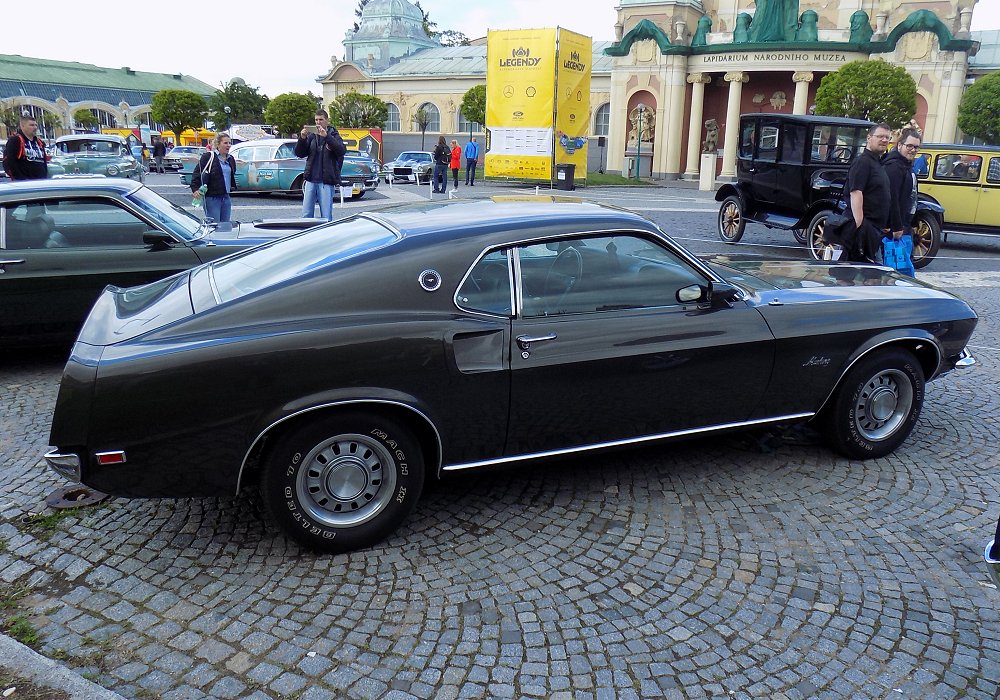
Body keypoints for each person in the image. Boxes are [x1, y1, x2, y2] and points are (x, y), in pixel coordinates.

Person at [845, 123, 892, 264]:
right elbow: (856, 192)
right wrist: (860, 226)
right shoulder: (863, 162)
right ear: (869, 138)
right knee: (849, 276)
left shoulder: (877, 162)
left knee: (867, 277)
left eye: (887, 137)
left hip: (873, 230)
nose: (884, 140)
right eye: (880, 136)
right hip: (863, 230)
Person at [882, 127, 922, 276]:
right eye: (909, 146)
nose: (913, 150)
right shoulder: (893, 166)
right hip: (896, 226)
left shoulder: (905, 165)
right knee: (896, 270)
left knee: (902, 267)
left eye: (916, 147)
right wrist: (896, 226)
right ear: (900, 145)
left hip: (904, 223)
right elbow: (891, 199)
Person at [295, 109, 346, 221]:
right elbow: (299, 153)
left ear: (327, 120)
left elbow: (341, 151)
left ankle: (326, 236)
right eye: (316, 120)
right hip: (310, 180)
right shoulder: (312, 136)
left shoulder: (334, 135)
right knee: (306, 214)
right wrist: (302, 139)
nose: (318, 122)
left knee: (326, 215)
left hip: (326, 181)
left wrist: (327, 137)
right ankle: (307, 237)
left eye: (321, 120)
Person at [190, 132, 236, 223]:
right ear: (218, 144)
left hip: (226, 196)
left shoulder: (231, 159)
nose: (228, 145)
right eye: (225, 143)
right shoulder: (209, 157)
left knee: (225, 225)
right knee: (214, 225)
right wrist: (195, 189)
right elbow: (197, 173)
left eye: (230, 143)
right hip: (212, 196)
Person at [3, 115, 48, 181]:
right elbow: (8, 162)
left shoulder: (39, 143)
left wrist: (45, 176)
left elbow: (44, 162)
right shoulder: (15, 140)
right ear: (22, 126)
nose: (35, 127)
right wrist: (20, 178)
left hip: (41, 182)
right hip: (23, 184)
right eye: (31, 125)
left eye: (36, 125)